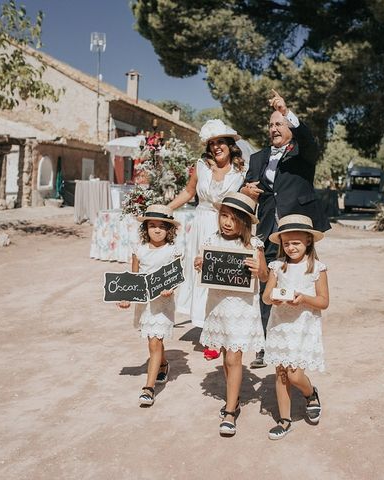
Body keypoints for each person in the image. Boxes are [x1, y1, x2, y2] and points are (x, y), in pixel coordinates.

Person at [240, 90, 331, 368]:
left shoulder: (304, 153)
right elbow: (245, 189)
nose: (273, 129)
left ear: (289, 126)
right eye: (270, 125)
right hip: (268, 227)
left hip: (298, 227)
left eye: (279, 124)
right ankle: (267, 345)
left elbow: (308, 139)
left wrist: (286, 110)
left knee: (298, 283)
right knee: (268, 282)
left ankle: (299, 340)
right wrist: (245, 190)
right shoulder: (258, 158)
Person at [168, 119, 247, 361]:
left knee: (220, 278)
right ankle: (208, 332)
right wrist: (167, 208)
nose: (215, 147)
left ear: (230, 145)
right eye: (212, 143)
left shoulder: (240, 171)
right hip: (201, 225)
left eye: (220, 142)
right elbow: (189, 191)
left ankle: (222, 331)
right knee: (201, 275)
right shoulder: (201, 166)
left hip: (227, 226)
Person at [193, 192, 268, 436]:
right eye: (223, 216)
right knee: (226, 357)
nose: (226, 222)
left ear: (244, 222)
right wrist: (200, 263)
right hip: (218, 306)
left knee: (234, 358)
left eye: (233, 219)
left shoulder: (254, 245)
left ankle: (230, 410)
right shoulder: (212, 239)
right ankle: (232, 395)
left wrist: (260, 270)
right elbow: (205, 265)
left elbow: (266, 276)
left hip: (241, 308)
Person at [261, 214, 329, 440]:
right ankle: (285, 419)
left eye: (296, 243)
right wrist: (274, 299)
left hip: (303, 328)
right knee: (281, 373)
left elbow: (324, 301)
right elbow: (266, 297)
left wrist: (304, 299)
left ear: (308, 241)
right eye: (286, 243)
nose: (290, 247)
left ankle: (310, 393)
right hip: (280, 325)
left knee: (295, 375)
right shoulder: (277, 266)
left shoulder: (317, 268)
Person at [117, 205, 182, 407]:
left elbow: (176, 277)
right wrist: (126, 297)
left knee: (154, 341)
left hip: (162, 303)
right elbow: (134, 278)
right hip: (145, 304)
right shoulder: (139, 251)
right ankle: (163, 363)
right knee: (153, 341)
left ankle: (149, 388)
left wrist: (171, 288)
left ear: (169, 229)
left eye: (161, 226)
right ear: (145, 228)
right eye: (152, 225)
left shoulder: (173, 250)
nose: (156, 230)